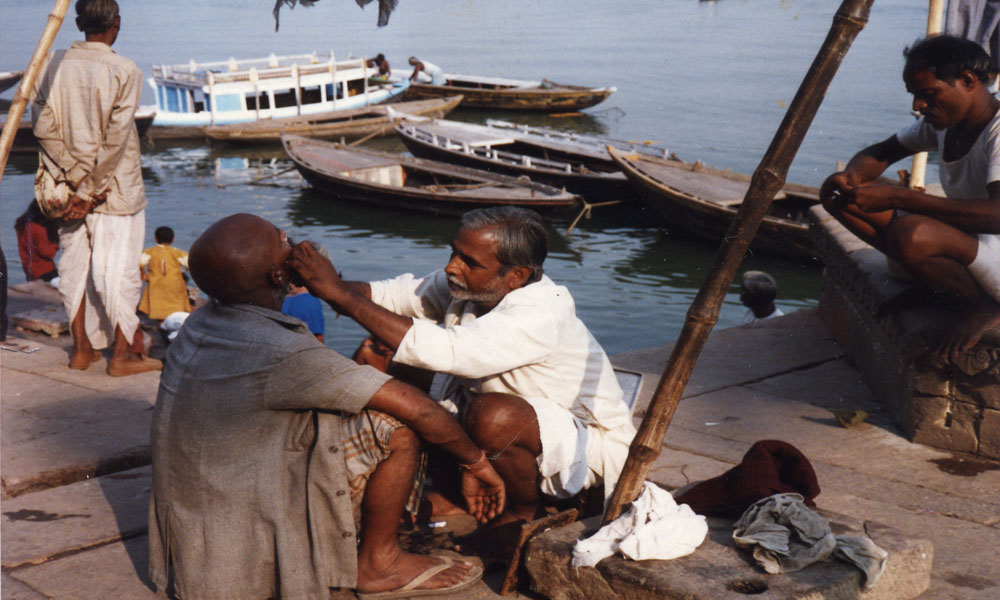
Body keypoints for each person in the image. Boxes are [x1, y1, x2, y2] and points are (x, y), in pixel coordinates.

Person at [149, 213, 504, 600]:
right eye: (284, 241)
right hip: (239, 541)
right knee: (393, 427)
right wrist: (477, 463)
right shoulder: (279, 350)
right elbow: (417, 409)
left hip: (199, 534)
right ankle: (379, 563)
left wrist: (327, 284)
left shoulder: (201, 325)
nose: (296, 245)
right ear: (275, 275)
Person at [289, 206, 636, 546]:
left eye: (469, 261)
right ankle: (453, 489)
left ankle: (526, 511)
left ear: (516, 276)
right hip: (501, 413)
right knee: (386, 360)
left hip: (580, 444)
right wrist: (321, 281)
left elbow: (447, 351)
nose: (451, 266)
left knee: (492, 416)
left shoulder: (541, 311)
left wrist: (334, 291)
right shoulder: (472, 283)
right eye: (455, 252)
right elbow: (393, 296)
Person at [821, 35, 1000, 364]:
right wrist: (852, 177)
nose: (918, 106)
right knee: (839, 197)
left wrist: (903, 198)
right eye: (916, 96)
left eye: (927, 94)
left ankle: (982, 305)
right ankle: (940, 286)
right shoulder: (946, 123)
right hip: (981, 245)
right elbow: (881, 152)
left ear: (967, 81)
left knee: (912, 234)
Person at [31, 0, 159, 376]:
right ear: (116, 24)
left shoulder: (50, 62)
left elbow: (41, 125)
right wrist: (89, 189)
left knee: (74, 269)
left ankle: (81, 351)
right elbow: (116, 139)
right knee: (118, 273)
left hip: (65, 191)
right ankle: (121, 357)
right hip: (113, 192)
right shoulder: (125, 70)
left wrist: (72, 176)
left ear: (77, 23)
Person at [138, 226, 190, 322]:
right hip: (175, 282)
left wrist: (143, 273)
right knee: (176, 305)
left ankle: (161, 324)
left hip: (156, 283)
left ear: (155, 239)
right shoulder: (177, 252)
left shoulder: (150, 251)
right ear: (173, 239)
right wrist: (184, 271)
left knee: (159, 306)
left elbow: (140, 262)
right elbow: (189, 262)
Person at [14, 200, 60, 282]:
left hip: (30, 271)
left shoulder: (21, 224)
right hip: (45, 271)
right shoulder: (38, 229)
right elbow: (48, 253)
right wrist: (55, 245)